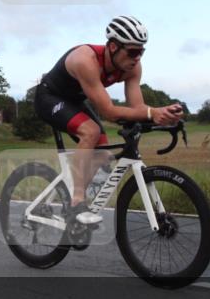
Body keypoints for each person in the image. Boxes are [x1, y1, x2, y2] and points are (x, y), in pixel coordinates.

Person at [33, 16, 184, 225]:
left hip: (75, 100)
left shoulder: (133, 68)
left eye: (141, 51)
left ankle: (74, 205)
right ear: (113, 47)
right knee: (90, 132)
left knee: (102, 154)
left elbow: (137, 108)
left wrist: (163, 115)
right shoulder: (85, 60)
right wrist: (152, 113)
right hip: (49, 98)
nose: (137, 58)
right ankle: (76, 202)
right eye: (132, 52)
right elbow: (109, 112)